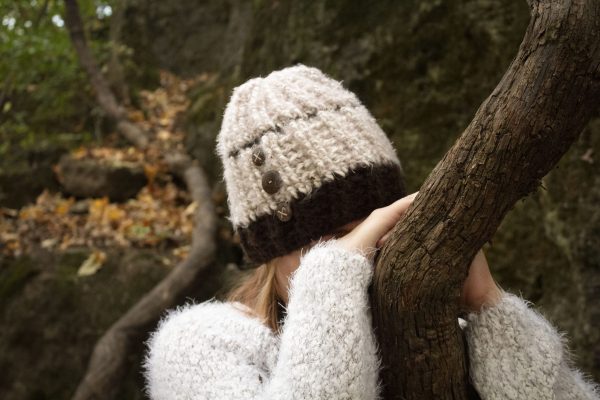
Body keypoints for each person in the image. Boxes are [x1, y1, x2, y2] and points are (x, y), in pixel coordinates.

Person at [142, 64, 599, 400]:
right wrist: (331, 274)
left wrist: (489, 308)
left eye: (377, 228)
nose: (364, 253)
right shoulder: (200, 345)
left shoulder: (448, 332)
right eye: (333, 240)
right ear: (272, 252)